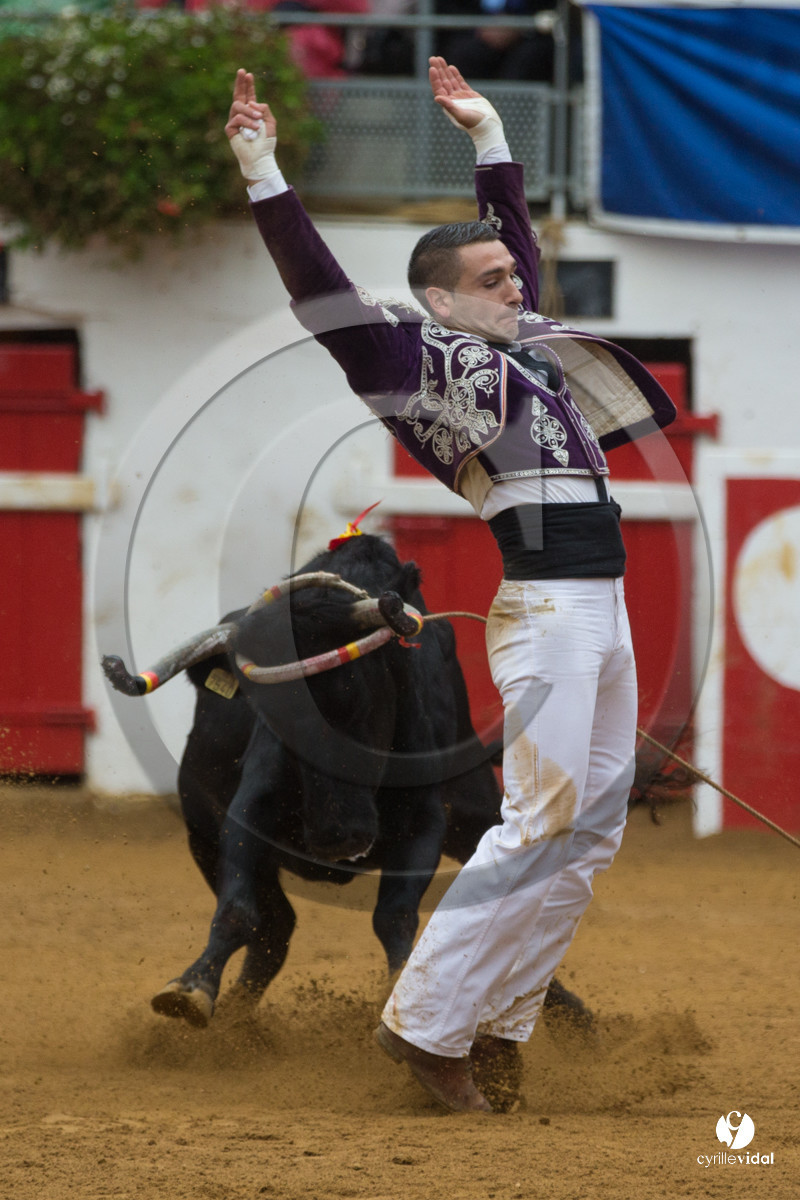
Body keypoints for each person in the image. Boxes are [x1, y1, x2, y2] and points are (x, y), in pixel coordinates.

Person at [225, 58, 675, 1113]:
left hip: (598, 607)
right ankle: (426, 1028)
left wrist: (488, 139)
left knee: (590, 829)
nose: (516, 286)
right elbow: (315, 289)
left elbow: (512, 244)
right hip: (550, 608)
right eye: (492, 280)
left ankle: (500, 1019)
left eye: (514, 277)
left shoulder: (522, 346)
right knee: (537, 821)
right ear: (439, 300)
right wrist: (261, 170)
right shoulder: (405, 360)